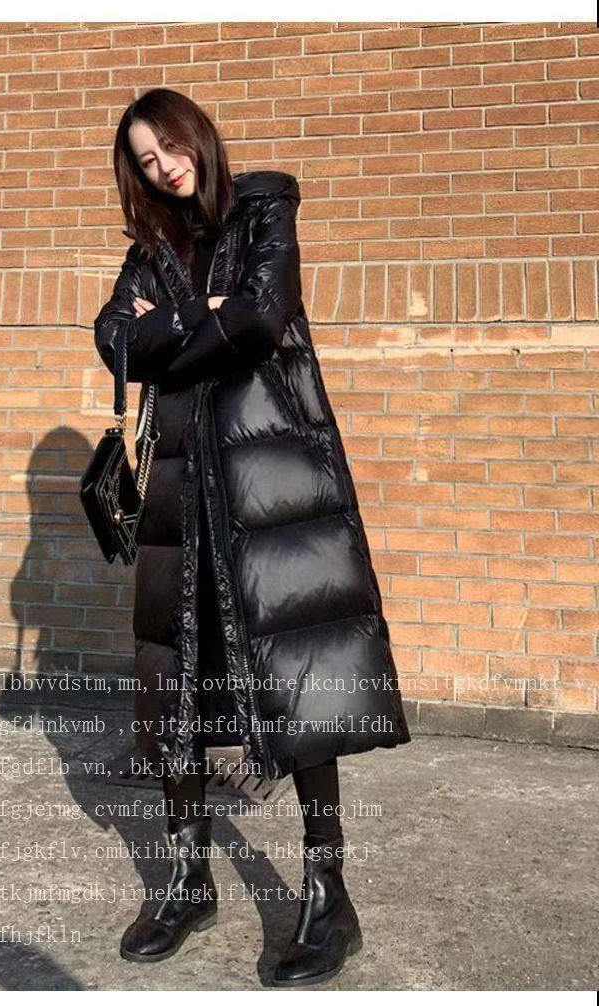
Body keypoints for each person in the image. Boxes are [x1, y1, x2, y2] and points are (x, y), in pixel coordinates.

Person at [94, 87, 412, 987]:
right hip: (180, 495)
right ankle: (188, 879)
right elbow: (113, 342)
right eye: (145, 161)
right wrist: (202, 316)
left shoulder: (264, 207)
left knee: (300, 678)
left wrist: (172, 335)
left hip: (272, 481)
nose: (164, 168)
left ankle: (328, 893)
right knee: (176, 683)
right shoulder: (149, 252)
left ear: (195, 135)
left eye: (169, 147)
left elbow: (267, 315)